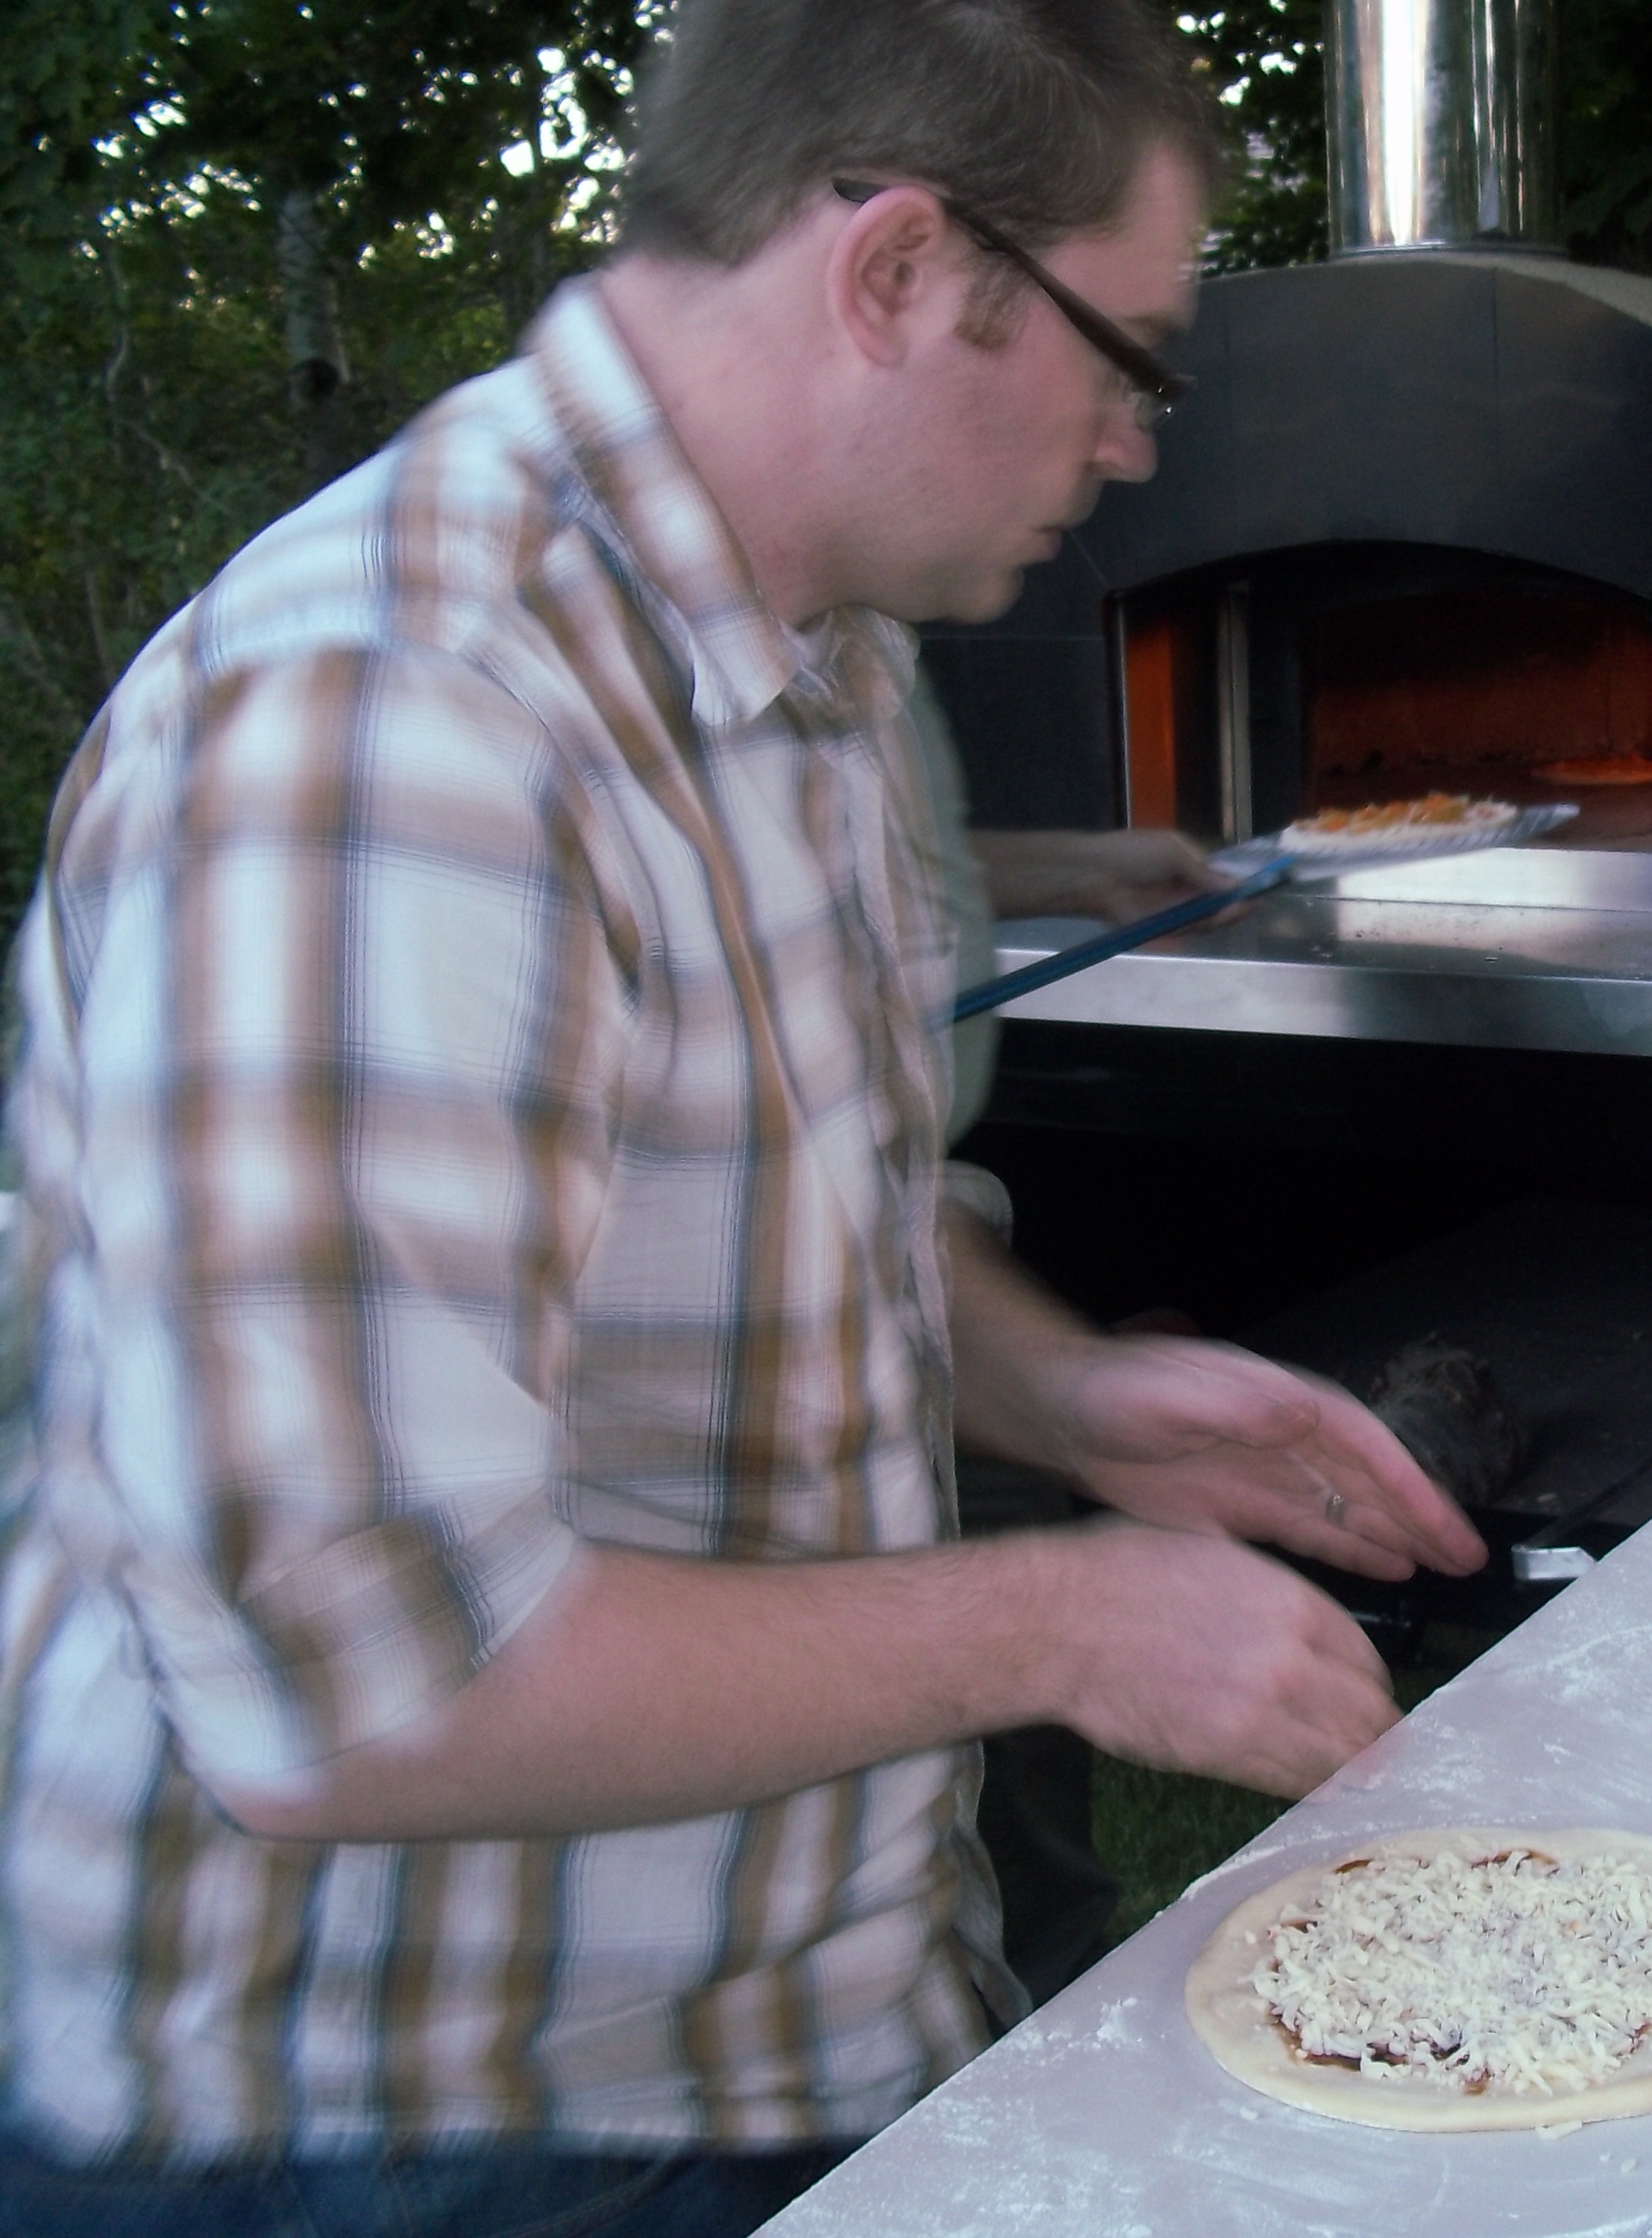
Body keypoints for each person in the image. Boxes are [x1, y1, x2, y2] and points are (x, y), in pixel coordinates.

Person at [0, 1, 1486, 2231]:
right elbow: (354, 1691)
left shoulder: (811, 654)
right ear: (897, 272)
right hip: (422, 2129)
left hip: (776, 2022)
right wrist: (1064, 1624)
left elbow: (794, 1198)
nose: (1132, 449)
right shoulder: (404, 720)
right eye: (1129, 360)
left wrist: (1063, 1392)